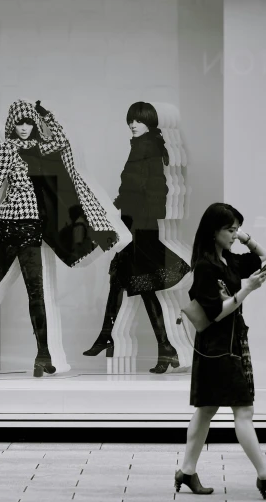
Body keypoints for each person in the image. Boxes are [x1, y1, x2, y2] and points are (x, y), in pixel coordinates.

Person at [0, 99, 118, 377]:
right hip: (10, 227)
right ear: (12, 125)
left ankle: (43, 355)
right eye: (20, 122)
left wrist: (47, 116)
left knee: (36, 293)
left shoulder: (41, 148)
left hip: (32, 229)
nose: (25, 127)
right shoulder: (7, 149)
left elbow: (63, 141)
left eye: (29, 122)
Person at [174, 202, 266, 499]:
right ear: (213, 232)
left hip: (230, 345)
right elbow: (215, 313)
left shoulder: (227, 259)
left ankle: (187, 472)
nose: (234, 234)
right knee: (243, 410)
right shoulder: (205, 267)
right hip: (217, 349)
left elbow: (265, 258)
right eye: (230, 229)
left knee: (206, 410)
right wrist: (247, 289)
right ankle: (265, 476)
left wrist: (246, 239)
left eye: (236, 229)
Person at [83, 102, 190, 373]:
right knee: (122, 278)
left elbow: (151, 189)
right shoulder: (146, 145)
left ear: (149, 123)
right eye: (130, 120)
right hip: (136, 222)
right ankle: (150, 345)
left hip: (138, 226)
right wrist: (120, 206)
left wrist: (128, 211)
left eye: (138, 120)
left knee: (141, 285)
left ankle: (161, 347)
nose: (132, 124)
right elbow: (141, 188)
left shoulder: (145, 147)